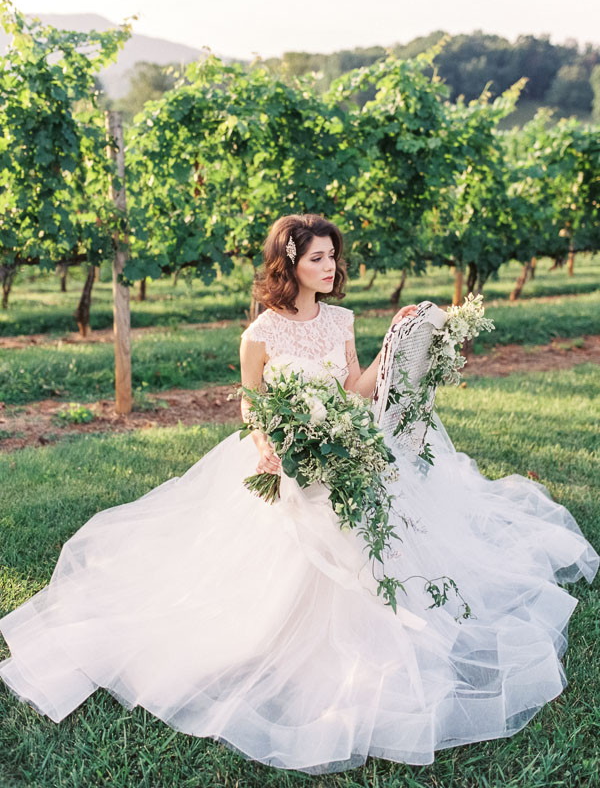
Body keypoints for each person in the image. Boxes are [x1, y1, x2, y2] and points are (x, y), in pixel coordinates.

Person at [0, 213, 597, 776]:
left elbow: (357, 390)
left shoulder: (340, 322)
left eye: (334, 256)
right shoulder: (260, 332)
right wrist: (265, 446)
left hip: (341, 448)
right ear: (291, 265)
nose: (332, 266)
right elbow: (250, 399)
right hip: (282, 456)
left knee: (368, 537)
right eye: (319, 257)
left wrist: (395, 343)